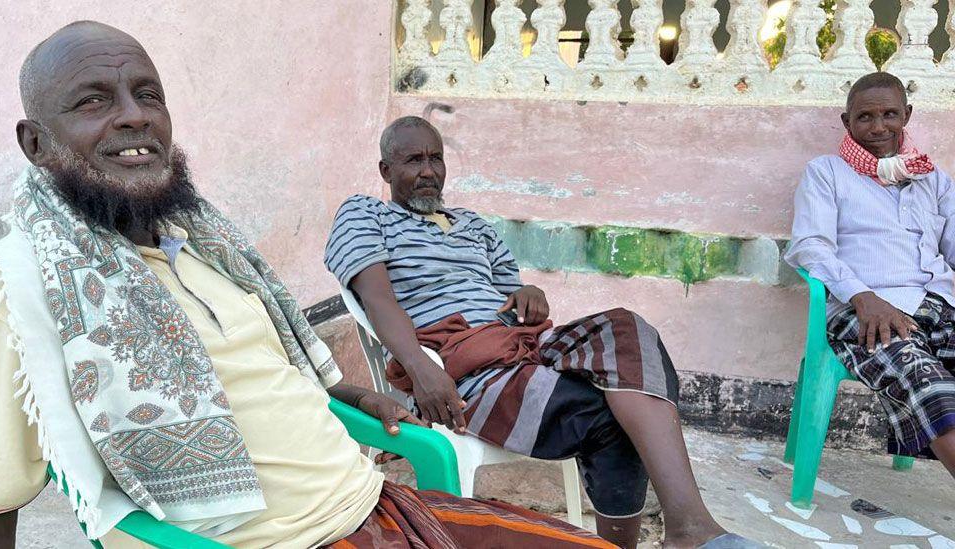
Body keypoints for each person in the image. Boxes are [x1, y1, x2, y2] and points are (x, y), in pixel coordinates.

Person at [0, 21, 621, 549]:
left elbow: (259, 366)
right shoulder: (19, 282)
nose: (133, 118)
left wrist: (342, 394)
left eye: (148, 95)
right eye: (93, 101)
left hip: (379, 507)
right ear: (35, 143)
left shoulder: (198, 243)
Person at [324, 116, 764, 549]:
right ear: (386, 170)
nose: (428, 171)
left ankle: (691, 524)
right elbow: (377, 299)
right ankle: (677, 535)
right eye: (413, 160)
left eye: (436, 159)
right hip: (461, 364)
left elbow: (511, 292)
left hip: (521, 343)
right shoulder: (365, 214)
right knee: (609, 419)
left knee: (629, 331)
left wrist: (529, 293)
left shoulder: (473, 224)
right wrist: (420, 367)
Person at [786, 71, 955, 478]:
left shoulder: (931, 178)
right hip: (862, 309)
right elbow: (810, 245)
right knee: (929, 386)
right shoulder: (826, 172)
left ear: (907, 116)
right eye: (865, 117)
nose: (878, 127)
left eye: (890, 114)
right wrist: (863, 296)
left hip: (938, 303)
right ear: (847, 122)